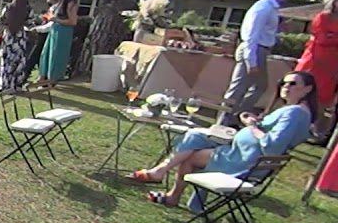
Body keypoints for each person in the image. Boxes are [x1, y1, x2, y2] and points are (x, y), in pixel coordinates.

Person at [131, 70, 317, 206]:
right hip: (242, 154)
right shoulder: (299, 112)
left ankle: (172, 192)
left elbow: (272, 146)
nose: (286, 87)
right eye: (284, 83)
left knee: (191, 155)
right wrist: (256, 122)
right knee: (196, 135)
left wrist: (251, 126)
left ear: (308, 89)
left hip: (244, 163)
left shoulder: (294, 113)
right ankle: (163, 175)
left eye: (293, 84)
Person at [217, 0, 293, 127]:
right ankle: (225, 120)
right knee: (239, 88)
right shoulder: (264, 8)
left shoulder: (269, 8)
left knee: (258, 86)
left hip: (259, 49)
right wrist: (251, 61)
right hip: (254, 49)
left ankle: (234, 116)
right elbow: (252, 36)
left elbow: (262, 31)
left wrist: (278, 28)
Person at [296, 0, 338, 140]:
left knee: (324, 97)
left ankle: (313, 128)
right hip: (315, 60)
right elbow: (322, 38)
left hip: (332, 64)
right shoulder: (323, 17)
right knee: (303, 91)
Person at [35, 0, 78, 86]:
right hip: (55, 30)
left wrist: (56, 20)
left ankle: (52, 80)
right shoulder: (60, 3)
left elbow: (73, 22)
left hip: (63, 31)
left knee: (56, 56)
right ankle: (42, 76)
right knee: (46, 53)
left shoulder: (71, 4)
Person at [0, 0, 31, 92]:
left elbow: (1, 21)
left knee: (6, 60)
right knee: (18, 61)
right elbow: (30, 23)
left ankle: (4, 84)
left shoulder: (8, 8)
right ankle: (16, 85)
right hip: (20, 37)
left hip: (8, 36)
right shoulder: (27, 10)